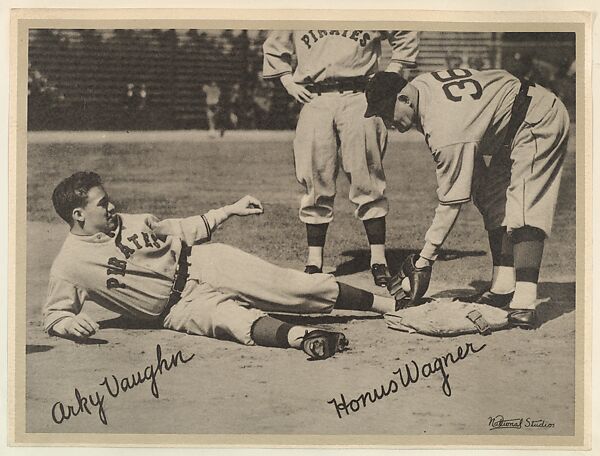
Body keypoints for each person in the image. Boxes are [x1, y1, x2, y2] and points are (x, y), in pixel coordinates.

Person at [43, 172, 406, 360]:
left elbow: (184, 228)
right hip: (179, 309)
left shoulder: (130, 220)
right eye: (101, 203)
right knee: (234, 323)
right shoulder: (69, 265)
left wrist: (228, 210)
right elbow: (54, 314)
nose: (111, 207)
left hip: (203, 262)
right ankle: (306, 339)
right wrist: (68, 323)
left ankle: (392, 305)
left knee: (294, 286)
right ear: (78, 215)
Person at [364, 68, 570, 329]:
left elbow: (451, 202)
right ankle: (503, 286)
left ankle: (525, 303)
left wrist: (424, 261)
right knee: (490, 197)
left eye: (386, 112)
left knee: (525, 203)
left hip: (538, 117)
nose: (387, 122)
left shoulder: (443, 125)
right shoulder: (420, 87)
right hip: (510, 122)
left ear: (404, 98)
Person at [262, 30, 419, 287]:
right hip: (316, 97)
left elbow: (405, 31)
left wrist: (392, 73)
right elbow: (274, 45)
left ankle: (378, 259)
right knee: (314, 176)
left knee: (367, 176)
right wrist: (288, 82)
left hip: (361, 96)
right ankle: (314, 261)